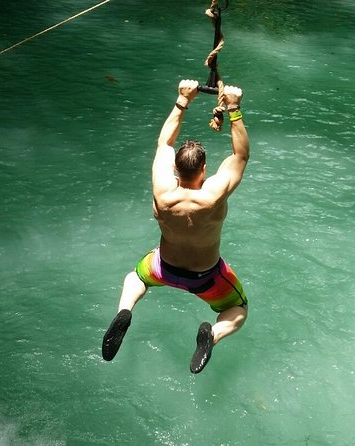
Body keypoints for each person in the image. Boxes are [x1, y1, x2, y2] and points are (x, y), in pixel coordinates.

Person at [102, 79, 250, 374]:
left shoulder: (163, 191)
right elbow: (240, 155)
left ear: (175, 169)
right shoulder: (214, 193)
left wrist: (183, 99)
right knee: (238, 310)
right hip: (207, 277)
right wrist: (233, 108)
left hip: (163, 267)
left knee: (136, 277)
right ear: (205, 170)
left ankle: (125, 310)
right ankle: (212, 336)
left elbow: (164, 143)